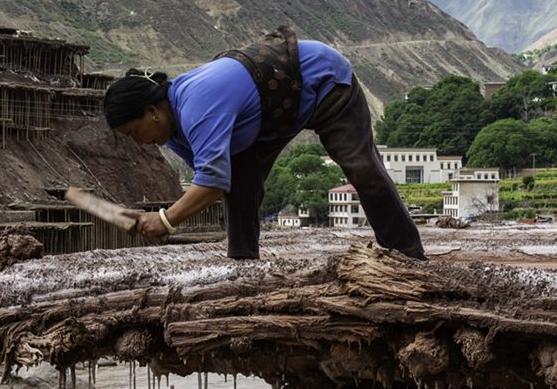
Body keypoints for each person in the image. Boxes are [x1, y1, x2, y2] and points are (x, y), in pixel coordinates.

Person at [103, 26, 426, 261]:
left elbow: (212, 183)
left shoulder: (196, 107)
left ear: (151, 113)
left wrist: (164, 220)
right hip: (271, 114)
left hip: (322, 80)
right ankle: (242, 261)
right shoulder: (172, 133)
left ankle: (407, 254)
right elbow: (218, 177)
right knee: (241, 181)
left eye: (134, 133)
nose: (139, 143)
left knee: (361, 167)